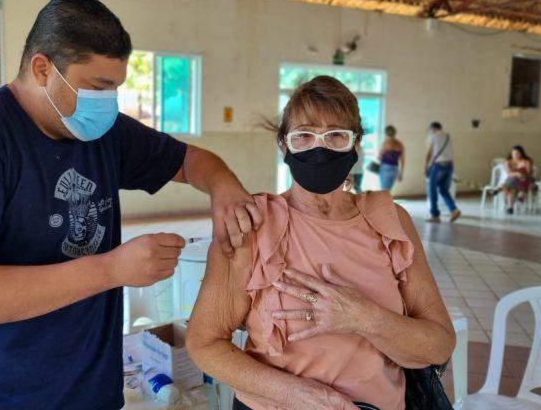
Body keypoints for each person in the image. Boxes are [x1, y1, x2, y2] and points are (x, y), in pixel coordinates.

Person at [0, 0, 262, 409]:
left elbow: (191, 161)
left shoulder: (103, 134)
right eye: (97, 87)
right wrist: (112, 268)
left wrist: (225, 189)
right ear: (42, 69)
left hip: (85, 390)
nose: (108, 102)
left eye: (116, 88)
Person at [186, 77, 455, 410]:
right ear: (284, 146)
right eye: (303, 136)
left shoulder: (390, 220)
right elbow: (204, 343)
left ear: (356, 147)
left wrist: (364, 317)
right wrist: (296, 394)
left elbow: (440, 345)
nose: (319, 148)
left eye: (336, 136)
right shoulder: (253, 225)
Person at [425, 121, 461, 223]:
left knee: (432, 189)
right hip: (449, 166)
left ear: (433, 128)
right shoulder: (448, 136)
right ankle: (454, 210)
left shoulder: (432, 136)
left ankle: (435, 215)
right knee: (443, 190)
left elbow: (428, 152)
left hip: (438, 165)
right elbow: (450, 152)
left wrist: (426, 166)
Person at [501, 145, 535, 214]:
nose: (515, 155)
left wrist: (521, 175)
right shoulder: (508, 161)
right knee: (511, 183)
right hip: (512, 179)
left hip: (524, 179)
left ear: (521, 153)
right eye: (513, 153)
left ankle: (511, 204)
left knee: (511, 185)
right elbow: (508, 173)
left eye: (517, 153)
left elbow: (529, 173)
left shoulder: (527, 161)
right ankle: (511, 207)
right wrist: (517, 174)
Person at [377, 125, 404, 192]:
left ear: (386, 133)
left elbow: (379, 157)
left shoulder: (385, 143)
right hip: (395, 169)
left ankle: (385, 202)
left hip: (385, 168)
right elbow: (403, 161)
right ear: (395, 133)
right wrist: (401, 173)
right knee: (388, 191)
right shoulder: (400, 144)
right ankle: (387, 202)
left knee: (384, 192)